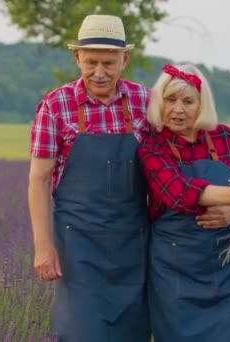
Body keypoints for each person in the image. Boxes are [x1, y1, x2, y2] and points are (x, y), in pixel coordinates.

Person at [28, 14, 152, 341]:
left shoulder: (146, 102)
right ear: (77, 57)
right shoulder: (55, 106)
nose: (100, 72)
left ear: (124, 59)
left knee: (132, 332)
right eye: (91, 62)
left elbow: (170, 166)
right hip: (77, 244)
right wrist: (43, 247)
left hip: (132, 244)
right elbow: (39, 180)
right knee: (82, 331)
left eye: (109, 63)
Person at [138, 64, 230, 342]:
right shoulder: (152, 147)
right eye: (170, 100)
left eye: (188, 101)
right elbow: (178, 192)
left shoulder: (226, 138)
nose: (178, 109)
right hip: (176, 272)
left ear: (202, 104)